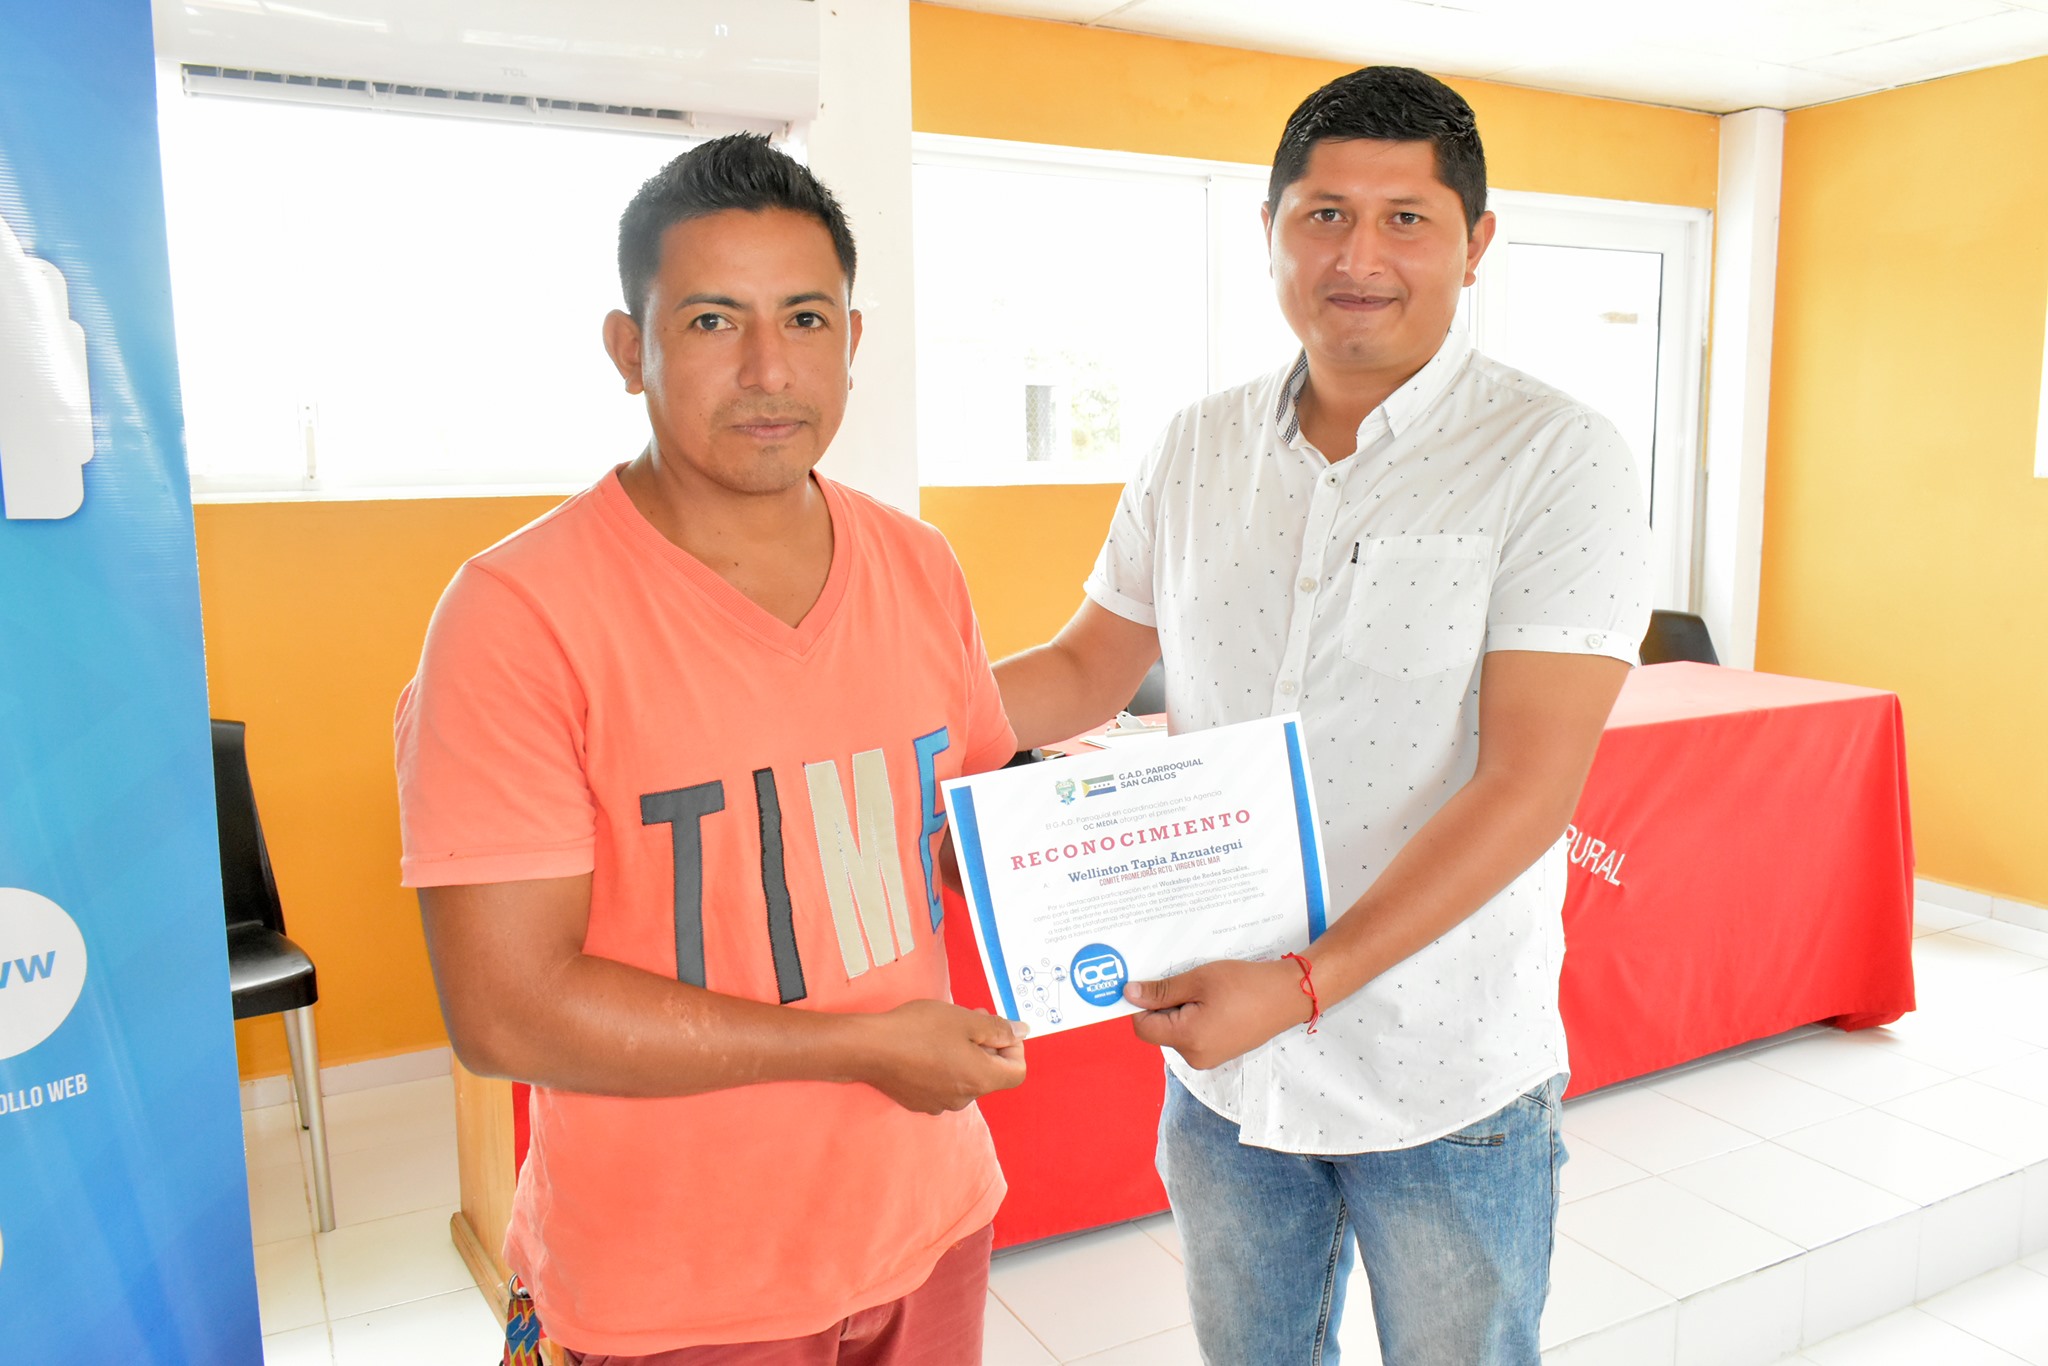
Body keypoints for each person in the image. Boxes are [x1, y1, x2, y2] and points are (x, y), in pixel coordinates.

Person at [995, 67, 1651, 1366]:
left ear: (1475, 241)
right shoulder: (1193, 445)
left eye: (1406, 218)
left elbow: (1527, 787)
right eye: (1324, 214)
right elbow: (1083, 666)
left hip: (1442, 1071)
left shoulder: (1556, 453)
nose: (1358, 257)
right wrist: (877, 703)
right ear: (1270, 230)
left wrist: (1300, 987)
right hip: (1226, 1063)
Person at [393, 133, 1027, 1366]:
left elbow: (958, 831)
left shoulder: (917, 563)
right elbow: (507, 1013)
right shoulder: (517, 614)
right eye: (709, 321)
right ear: (627, 348)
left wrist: (1144, 863)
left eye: (804, 318)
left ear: (852, 340)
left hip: (929, 1221)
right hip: (672, 1290)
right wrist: (860, 1047)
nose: (766, 369)